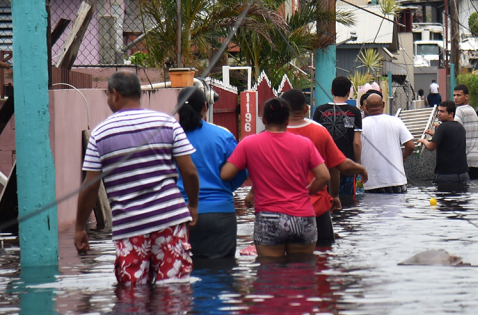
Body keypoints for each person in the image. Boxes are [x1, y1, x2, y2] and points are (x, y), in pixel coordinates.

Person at [76, 71, 200, 285]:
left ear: (115, 94)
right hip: (169, 221)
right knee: (173, 292)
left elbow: (90, 186)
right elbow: (189, 171)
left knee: (132, 298)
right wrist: (193, 205)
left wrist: (79, 228)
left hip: (130, 227)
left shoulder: (100, 134)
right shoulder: (167, 123)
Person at [220, 98, 329, 257]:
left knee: (269, 274)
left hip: (268, 216)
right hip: (302, 215)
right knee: (303, 272)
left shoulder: (249, 143)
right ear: (287, 119)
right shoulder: (304, 143)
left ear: (263, 119)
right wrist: (307, 191)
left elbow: (226, 174)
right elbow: (324, 176)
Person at [279, 89, 367, 248]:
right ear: (306, 109)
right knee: (322, 256)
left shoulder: (271, 133)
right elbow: (337, 165)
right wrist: (335, 194)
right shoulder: (319, 131)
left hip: (278, 210)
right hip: (315, 208)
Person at [175, 88, 248, 260]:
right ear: (205, 107)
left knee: (181, 277)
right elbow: (241, 171)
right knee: (221, 276)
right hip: (220, 215)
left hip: (178, 214)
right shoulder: (223, 136)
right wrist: (225, 188)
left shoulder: (168, 137)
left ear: (178, 109)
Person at [312, 76, 363, 207]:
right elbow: (356, 142)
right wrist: (357, 164)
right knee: (347, 204)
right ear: (349, 92)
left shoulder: (320, 111)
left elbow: (314, 140)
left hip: (323, 167)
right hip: (345, 164)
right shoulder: (354, 112)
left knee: (324, 202)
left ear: (331, 91)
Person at [359, 92, 416, 193]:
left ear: (366, 107)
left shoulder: (361, 125)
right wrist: (404, 156)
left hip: (372, 182)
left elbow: (356, 147)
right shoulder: (396, 121)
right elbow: (411, 145)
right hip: (397, 180)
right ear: (384, 104)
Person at [417, 101, 469, 193]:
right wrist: (435, 135)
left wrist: (423, 140)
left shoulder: (442, 127)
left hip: (446, 176)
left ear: (451, 114)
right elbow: (449, 140)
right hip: (463, 175)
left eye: (442, 111)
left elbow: (431, 147)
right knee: (460, 204)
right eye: (438, 111)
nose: (439, 114)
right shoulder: (461, 127)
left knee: (444, 204)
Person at [452, 84, 478, 181]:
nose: (456, 98)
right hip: (477, 159)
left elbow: (455, 128)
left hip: (466, 160)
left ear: (466, 96)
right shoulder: (472, 110)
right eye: (454, 95)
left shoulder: (460, 110)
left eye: (458, 95)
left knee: (464, 192)